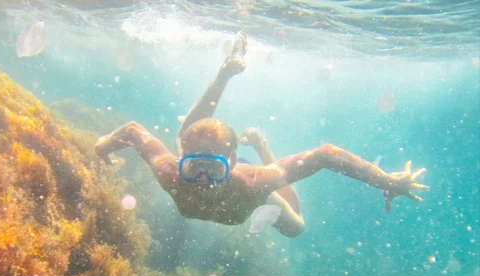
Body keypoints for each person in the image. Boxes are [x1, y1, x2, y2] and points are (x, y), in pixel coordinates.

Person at [95, 31, 428, 237]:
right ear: (181, 162)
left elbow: (325, 154)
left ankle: (264, 146)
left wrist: (387, 181)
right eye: (193, 167)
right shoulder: (171, 172)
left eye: (215, 169)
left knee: (297, 229)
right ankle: (225, 73)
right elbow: (133, 131)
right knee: (187, 135)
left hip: (257, 195)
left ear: (235, 162)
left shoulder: (254, 181)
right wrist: (102, 146)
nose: (203, 181)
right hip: (216, 172)